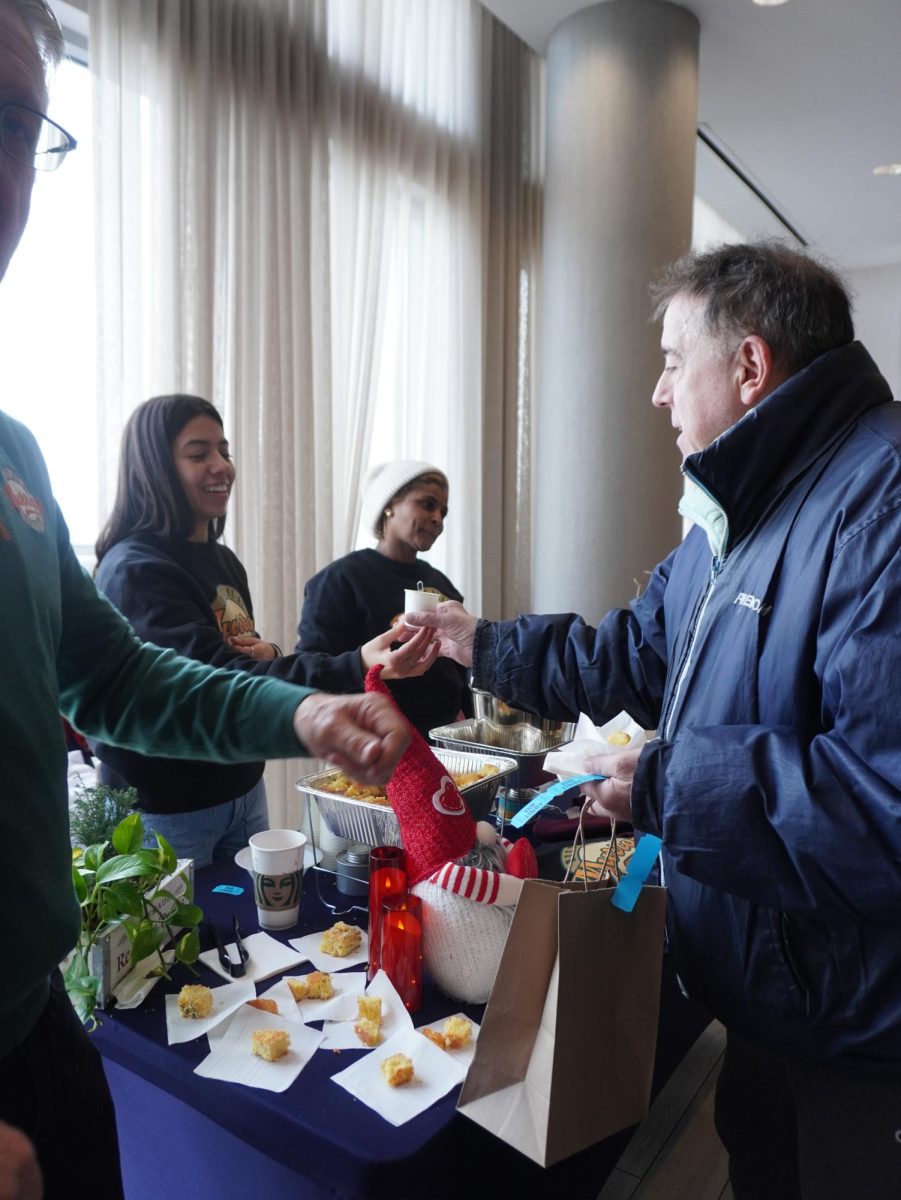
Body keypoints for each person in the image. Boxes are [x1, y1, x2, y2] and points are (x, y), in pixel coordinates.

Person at [0, 3, 409, 1195]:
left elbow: (115, 674)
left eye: (20, 123)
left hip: (35, 1025)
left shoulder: (17, 456)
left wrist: (301, 717)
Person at [407, 242, 901, 1199]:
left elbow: (885, 801)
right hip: (774, 998)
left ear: (749, 366)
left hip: (864, 1037)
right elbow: (629, 655)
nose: (657, 392)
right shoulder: (739, 511)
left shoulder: (878, 500)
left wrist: (672, 783)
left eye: (674, 361)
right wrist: (480, 643)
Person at [93, 394, 436, 867]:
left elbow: (238, 660)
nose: (222, 467)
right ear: (154, 466)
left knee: (249, 937)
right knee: (173, 942)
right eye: (198, 454)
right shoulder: (136, 570)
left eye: (224, 451)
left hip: (242, 791)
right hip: (164, 810)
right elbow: (210, 681)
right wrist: (353, 663)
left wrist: (269, 651)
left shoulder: (223, 560)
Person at [297, 459, 472, 739]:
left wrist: (469, 724)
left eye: (443, 511)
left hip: (448, 743)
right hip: (379, 743)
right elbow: (316, 670)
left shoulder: (441, 584)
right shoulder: (340, 581)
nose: (438, 518)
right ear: (389, 505)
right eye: (427, 505)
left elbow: (458, 671)